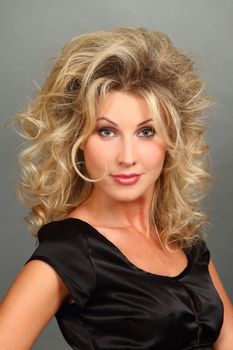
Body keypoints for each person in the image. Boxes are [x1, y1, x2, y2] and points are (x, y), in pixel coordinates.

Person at [0, 26, 232, 350]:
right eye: (106, 132)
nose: (127, 158)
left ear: (171, 141)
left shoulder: (183, 237)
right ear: (77, 141)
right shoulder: (73, 250)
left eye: (146, 132)